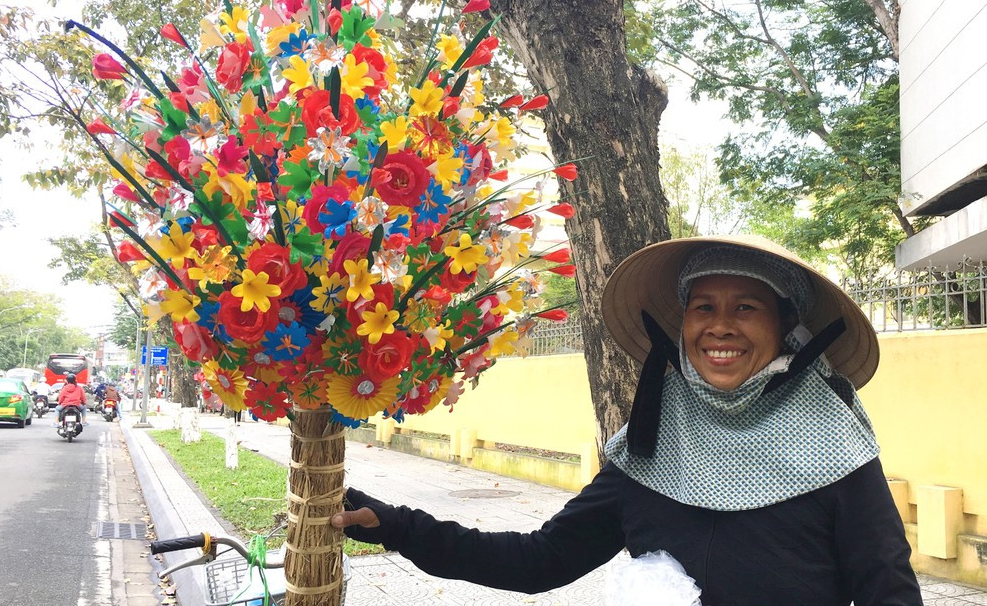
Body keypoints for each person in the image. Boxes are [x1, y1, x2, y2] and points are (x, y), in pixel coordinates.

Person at [332, 235, 922, 605]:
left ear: (786, 326)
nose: (720, 326)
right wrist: (397, 525)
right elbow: (542, 560)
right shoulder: (650, 448)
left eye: (746, 306)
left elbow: (889, 592)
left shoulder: (834, 451)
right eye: (703, 307)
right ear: (682, 325)